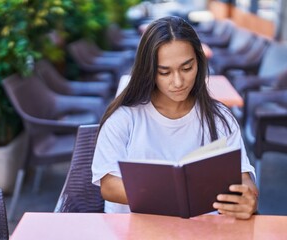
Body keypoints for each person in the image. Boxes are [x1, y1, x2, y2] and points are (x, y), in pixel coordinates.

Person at [91, 16, 258, 220]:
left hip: (201, 229)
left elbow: (242, 176)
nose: (178, 82)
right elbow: (108, 185)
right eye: (164, 72)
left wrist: (248, 198)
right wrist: (174, 194)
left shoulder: (220, 118)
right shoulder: (124, 118)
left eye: (187, 68)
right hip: (134, 229)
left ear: (199, 62)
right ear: (149, 71)